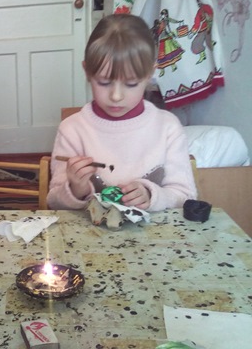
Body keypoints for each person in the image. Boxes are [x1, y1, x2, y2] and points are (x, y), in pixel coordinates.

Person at [47, 14, 196, 212]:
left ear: (150, 74)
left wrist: (151, 195)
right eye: (104, 82)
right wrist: (76, 189)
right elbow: (53, 201)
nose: (116, 96)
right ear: (87, 71)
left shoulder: (168, 127)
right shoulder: (72, 129)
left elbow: (185, 196)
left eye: (131, 83)